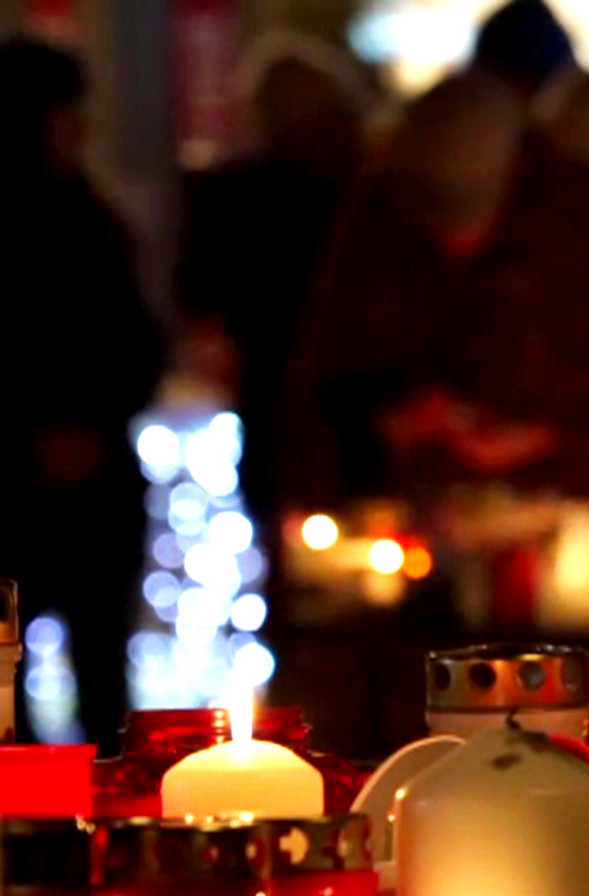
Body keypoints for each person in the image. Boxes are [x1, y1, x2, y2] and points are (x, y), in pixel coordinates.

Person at [284, 69, 589, 504]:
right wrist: (396, 421)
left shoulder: (588, 231)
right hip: (430, 520)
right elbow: (321, 401)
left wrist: (539, 440)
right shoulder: (384, 228)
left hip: (566, 521)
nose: (456, 239)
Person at [0, 38, 163, 741]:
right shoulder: (84, 218)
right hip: (28, 483)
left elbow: (135, 343)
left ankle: (75, 819)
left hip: (91, 483)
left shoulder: (91, 216)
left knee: (95, 672)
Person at [176, 32, 368, 534]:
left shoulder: (228, 198)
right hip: (341, 401)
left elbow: (198, 298)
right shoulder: (355, 197)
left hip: (273, 402)